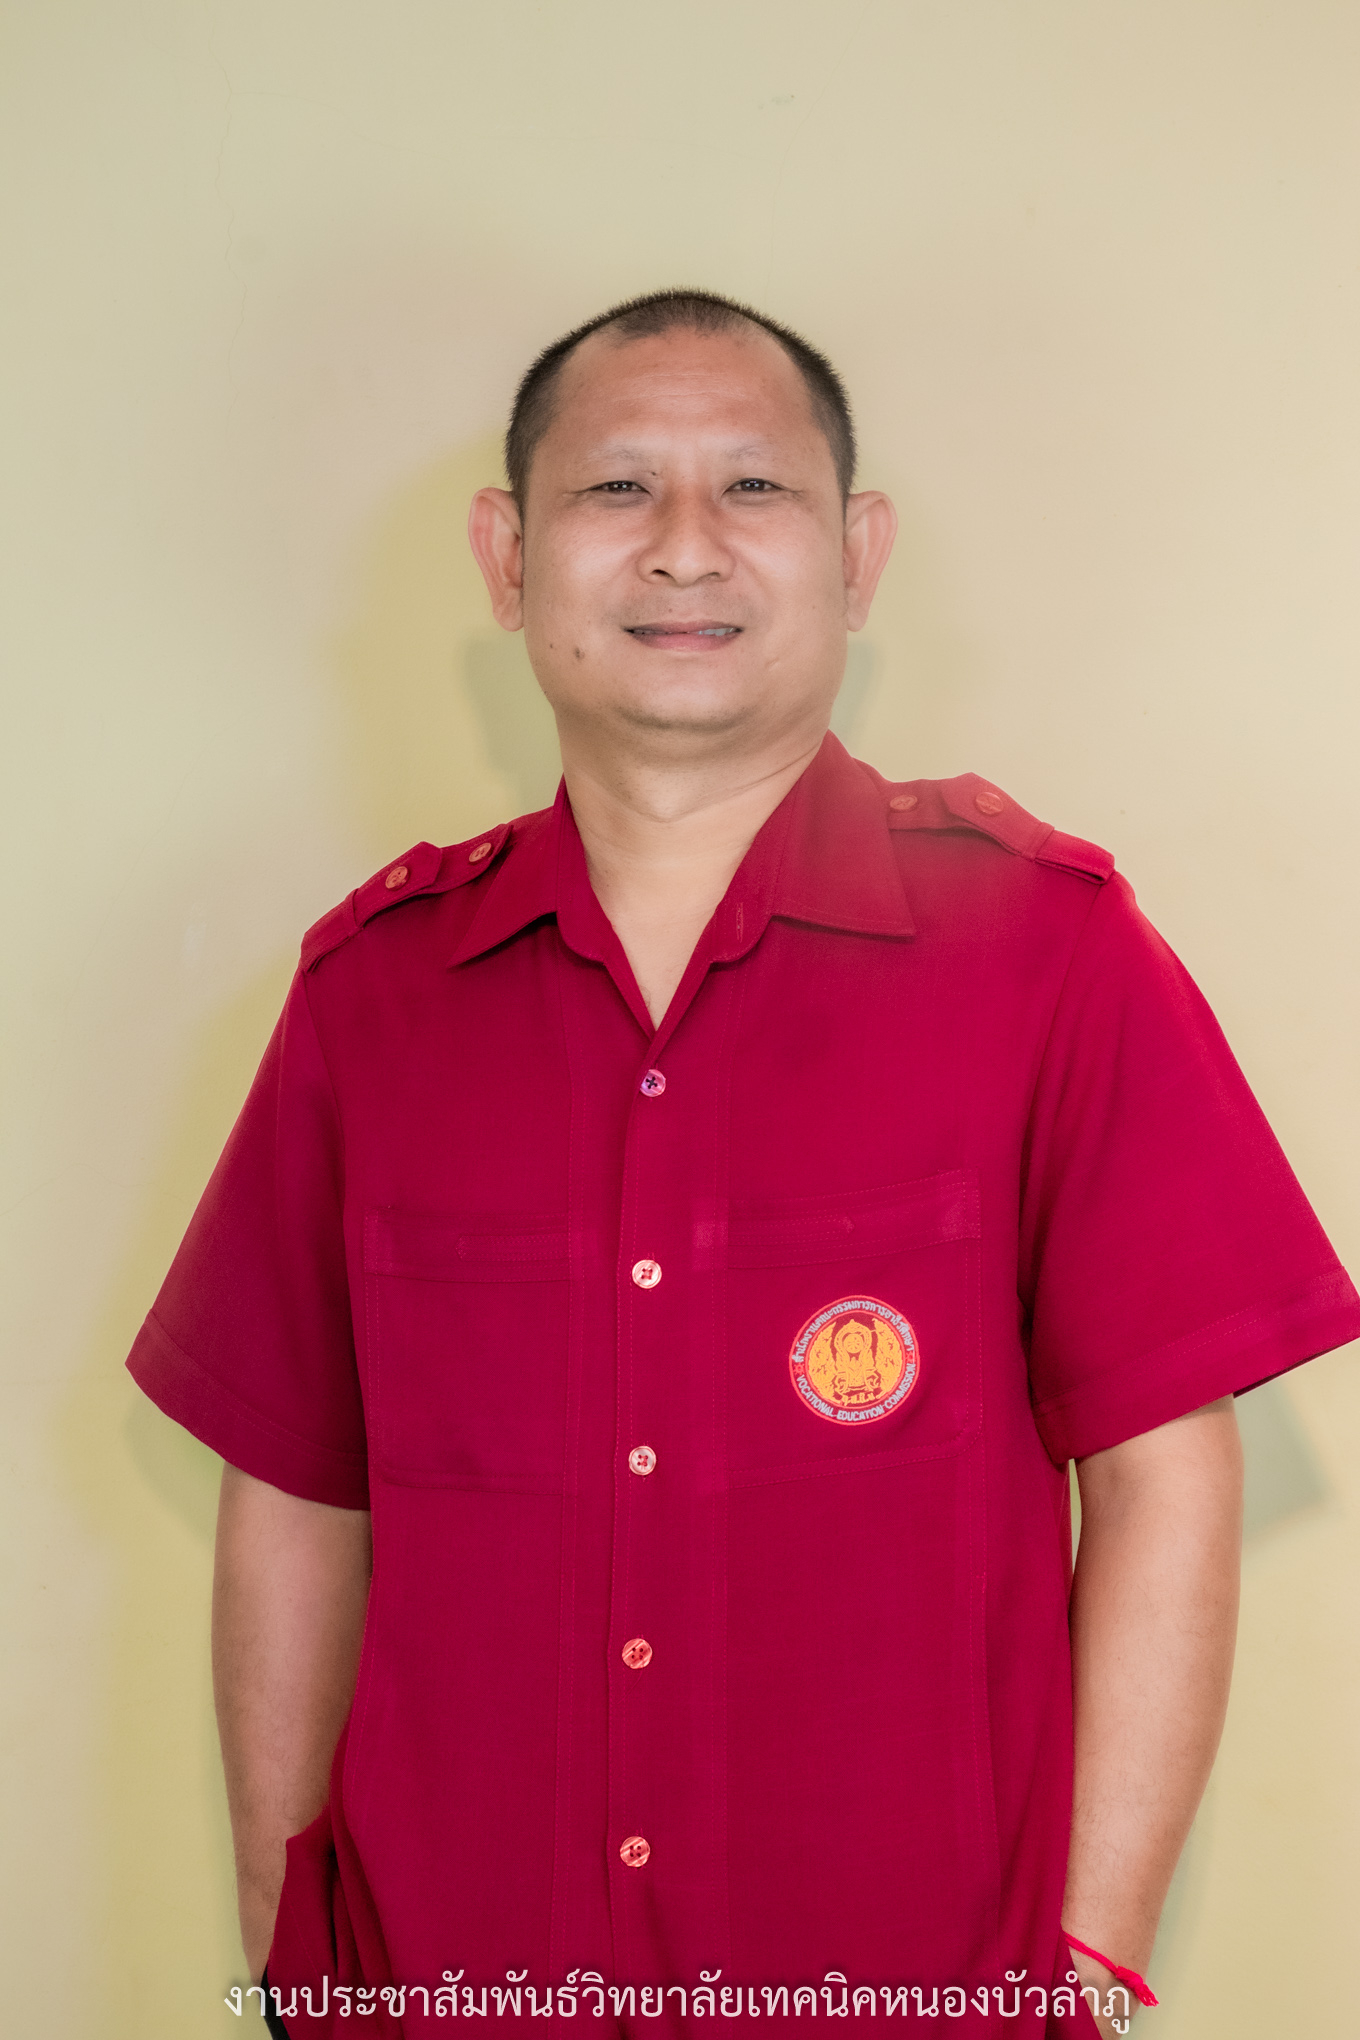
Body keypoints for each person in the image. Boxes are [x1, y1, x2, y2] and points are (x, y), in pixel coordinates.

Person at [127, 289, 1360, 2039]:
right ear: (508, 557)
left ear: (859, 555)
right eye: (616, 488)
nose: (685, 546)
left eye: (755, 487)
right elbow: (297, 1495)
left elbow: (1166, 1471)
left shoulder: (1047, 954)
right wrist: (296, 1966)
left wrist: (1085, 1966)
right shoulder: (373, 998)